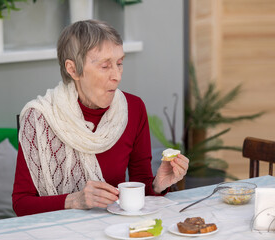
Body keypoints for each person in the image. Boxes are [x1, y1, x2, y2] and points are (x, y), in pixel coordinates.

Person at [12, 19, 189, 216]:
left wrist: (158, 185)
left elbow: (141, 189)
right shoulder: (39, 117)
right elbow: (21, 204)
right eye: (105, 66)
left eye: (120, 63)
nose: (117, 76)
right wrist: (75, 200)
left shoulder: (134, 108)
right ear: (73, 70)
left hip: (114, 229)